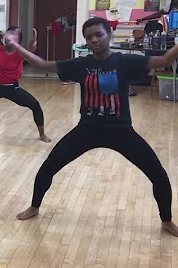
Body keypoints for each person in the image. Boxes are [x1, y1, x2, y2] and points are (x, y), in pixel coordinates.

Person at [10, 17, 178, 237]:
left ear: (109, 35)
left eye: (99, 35)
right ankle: (34, 206)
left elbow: (165, 58)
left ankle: (166, 220)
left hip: (121, 130)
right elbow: (42, 66)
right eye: (89, 37)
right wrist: (15, 46)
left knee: (158, 175)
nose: (94, 40)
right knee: (48, 167)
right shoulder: (81, 65)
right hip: (87, 129)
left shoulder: (124, 62)